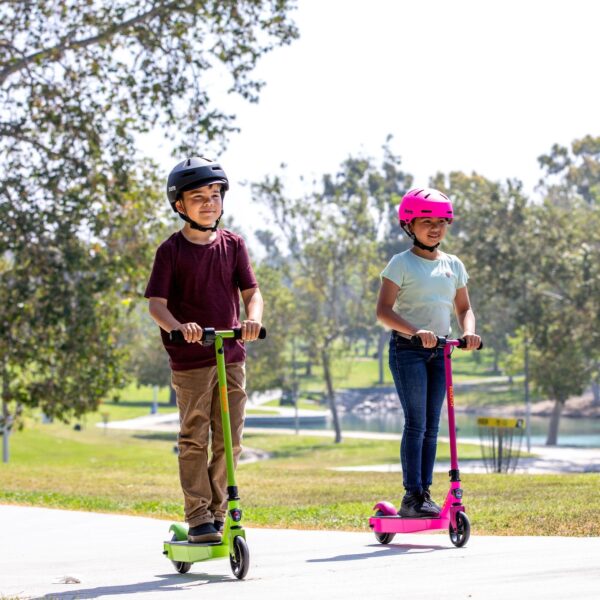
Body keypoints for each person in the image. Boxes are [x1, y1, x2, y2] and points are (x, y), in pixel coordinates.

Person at [145, 156, 263, 542]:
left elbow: (252, 293)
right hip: (191, 360)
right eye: (199, 197)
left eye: (215, 195)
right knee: (195, 436)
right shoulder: (171, 251)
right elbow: (156, 305)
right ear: (180, 205)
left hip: (231, 354)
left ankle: (218, 511)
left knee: (231, 438)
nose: (210, 203)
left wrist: (253, 319)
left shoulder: (233, 245)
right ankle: (197, 516)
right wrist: (181, 328)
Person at [376, 188, 480, 518]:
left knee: (433, 426)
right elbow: (383, 311)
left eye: (441, 222)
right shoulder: (401, 263)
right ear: (410, 225)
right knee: (417, 423)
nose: (435, 228)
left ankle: (426, 495)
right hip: (408, 350)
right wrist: (414, 331)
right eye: (426, 222)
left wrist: (468, 332)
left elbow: (464, 308)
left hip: (442, 352)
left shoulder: (453, 264)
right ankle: (412, 495)